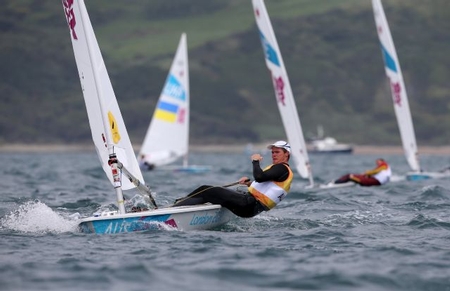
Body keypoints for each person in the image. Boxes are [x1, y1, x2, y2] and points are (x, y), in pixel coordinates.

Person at [173, 140, 294, 218]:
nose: (274, 154)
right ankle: (184, 208)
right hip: (251, 208)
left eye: (277, 152)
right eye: (272, 152)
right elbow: (267, 185)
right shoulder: (282, 171)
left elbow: (260, 177)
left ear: (286, 154)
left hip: (248, 204)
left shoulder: (282, 168)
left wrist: (255, 161)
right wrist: (249, 184)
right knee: (215, 192)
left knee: (207, 190)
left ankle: (173, 211)